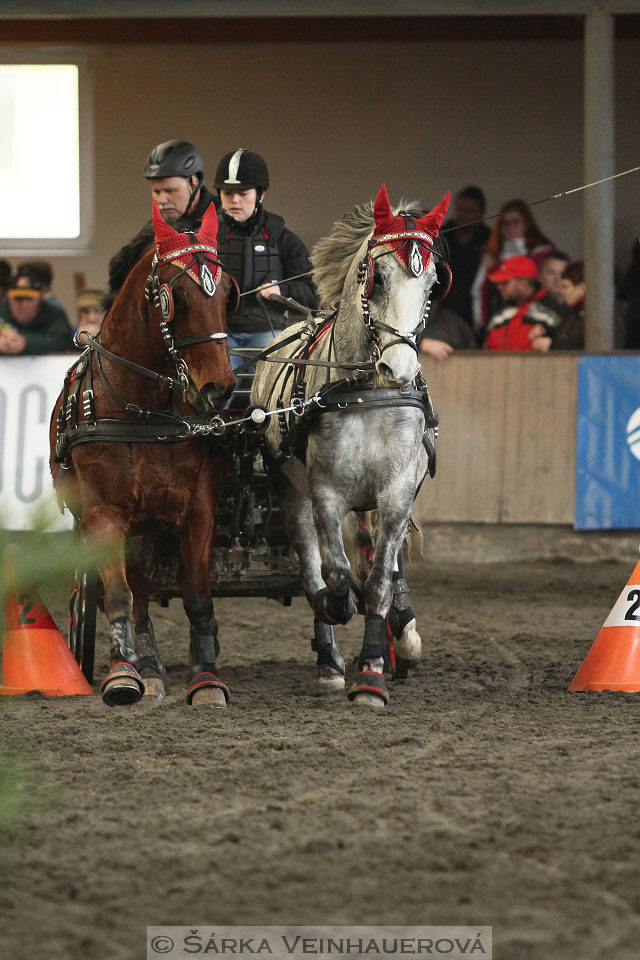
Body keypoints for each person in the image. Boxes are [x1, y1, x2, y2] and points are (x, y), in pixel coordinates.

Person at [213, 148, 318, 371]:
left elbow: (313, 292)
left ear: (260, 195)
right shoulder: (206, 235)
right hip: (220, 332)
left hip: (265, 331)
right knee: (218, 385)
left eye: (243, 193)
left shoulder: (281, 237)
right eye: (227, 193)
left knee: (272, 382)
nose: (234, 200)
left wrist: (282, 291)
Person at [472, 198, 556, 335]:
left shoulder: (543, 253)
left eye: (515, 221)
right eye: (505, 223)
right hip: (498, 323)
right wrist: (480, 325)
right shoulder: (491, 258)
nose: (510, 227)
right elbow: (479, 292)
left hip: (538, 321)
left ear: (527, 223)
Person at [484, 255, 562, 351]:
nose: (499, 287)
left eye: (505, 282)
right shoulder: (498, 314)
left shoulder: (553, 314)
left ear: (524, 285)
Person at [440, 185, 490, 328]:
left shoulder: (490, 240)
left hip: (477, 312)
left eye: (470, 211)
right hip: (444, 310)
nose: (464, 215)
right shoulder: (442, 236)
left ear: (482, 213)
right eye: (461, 209)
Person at [143, 139, 217, 227]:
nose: (161, 200)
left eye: (170, 190)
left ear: (194, 185)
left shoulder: (224, 224)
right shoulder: (155, 227)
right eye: (156, 192)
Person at [0, 270, 72, 355]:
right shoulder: (2, 313)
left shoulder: (54, 315)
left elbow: (62, 342)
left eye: (29, 299)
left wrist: (26, 342)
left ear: (40, 300)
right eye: (18, 299)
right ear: (9, 300)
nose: (24, 305)